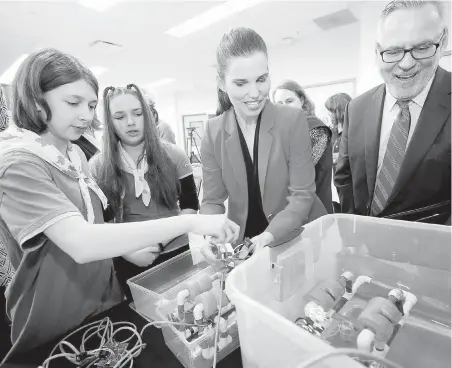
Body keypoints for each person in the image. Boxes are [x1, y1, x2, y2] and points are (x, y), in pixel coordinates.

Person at [0, 48, 239, 361]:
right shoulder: (19, 165)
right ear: (35, 100)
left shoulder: (73, 156)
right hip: (54, 321)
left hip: (105, 303)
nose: (86, 116)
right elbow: (82, 242)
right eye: (73, 103)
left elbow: (98, 224)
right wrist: (190, 223)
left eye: (89, 105)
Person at [200, 27, 327, 262]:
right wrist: (210, 235)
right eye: (240, 83)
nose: (255, 93)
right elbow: (212, 200)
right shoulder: (213, 131)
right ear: (221, 83)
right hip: (244, 241)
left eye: (261, 79)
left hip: (294, 236)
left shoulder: (292, 120)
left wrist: (267, 237)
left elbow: (302, 196)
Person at [335, 0, 451, 224]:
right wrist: (356, 233)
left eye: (422, 48)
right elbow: (345, 179)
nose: (406, 63)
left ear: (442, 41)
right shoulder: (357, 108)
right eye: (394, 51)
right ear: (377, 51)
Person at [90, 84, 199, 299]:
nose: (130, 122)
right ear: (110, 122)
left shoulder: (175, 155)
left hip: (175, 251)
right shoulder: (98, 166)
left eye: (137, 113)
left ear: (148, 115)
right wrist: (126, 252)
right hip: (129, 259)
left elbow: (190, 206)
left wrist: (159, 243)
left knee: (185, 311)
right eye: (119, 117)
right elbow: (103, 224)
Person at [273, 80, 333, 213]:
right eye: (279, 103)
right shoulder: (283, 131)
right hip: (288, 209)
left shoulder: (315, 128)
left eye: (289, 101)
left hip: (314, 209)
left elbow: (295, 170)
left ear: (302, 101)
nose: (284, 106)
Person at [324, 93, 352, 172]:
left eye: (331, 111)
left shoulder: (354, 132)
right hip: (338, 180)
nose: (329, 115)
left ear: (340, 111)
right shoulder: (333, 133)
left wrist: (341, 158)